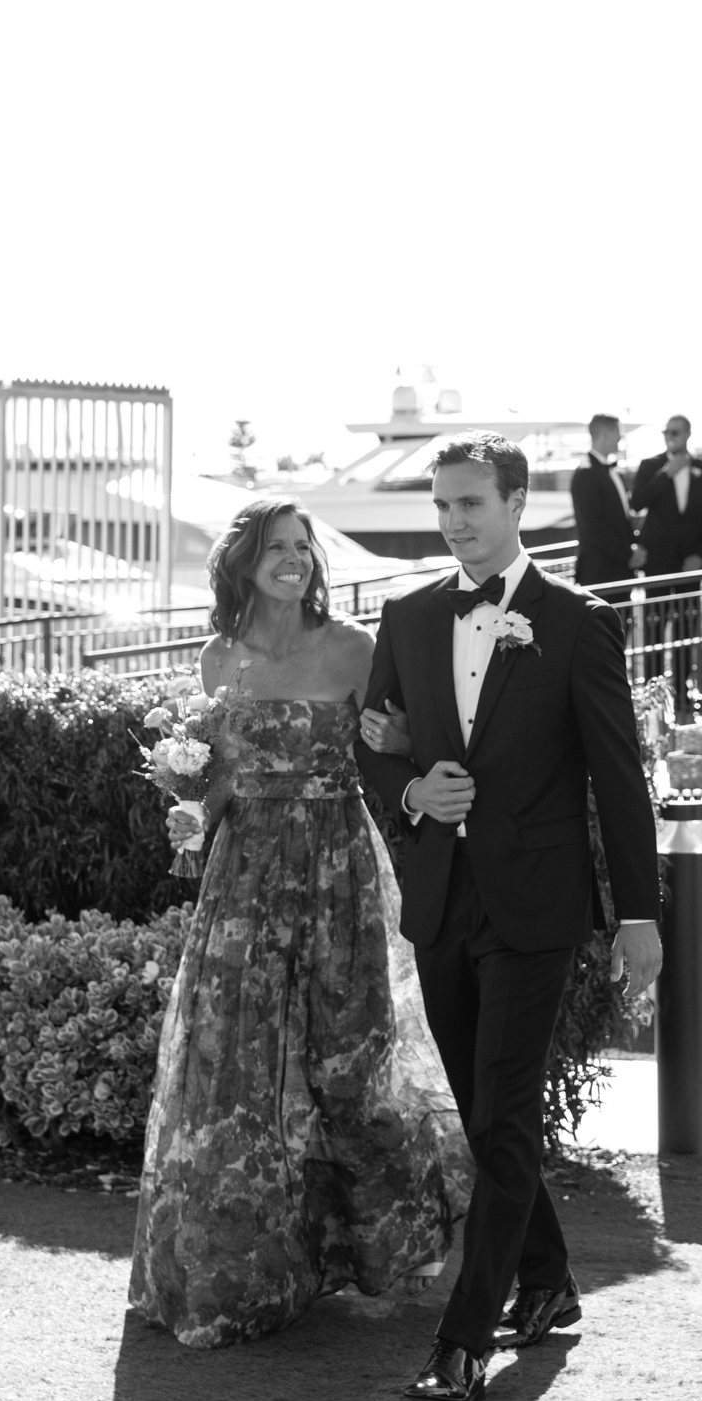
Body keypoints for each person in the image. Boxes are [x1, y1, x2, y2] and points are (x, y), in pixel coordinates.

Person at [355, 432, 662, 1401]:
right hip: (442, 901)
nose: (454, 522)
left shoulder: (577, 621)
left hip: (537, 907)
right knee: (490, 1117)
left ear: (517, 503)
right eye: (442, 506)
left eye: (471, 504)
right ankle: (549, 1279)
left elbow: (619, 778)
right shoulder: (406, 616)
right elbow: (372, 748)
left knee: (502, 1114)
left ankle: (460, 1344)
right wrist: (413, 793)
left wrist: (638, 915)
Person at [129, 497, 468, 1349]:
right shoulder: (218, 657)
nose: (294, 559)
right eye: (276, 547)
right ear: (243, 562)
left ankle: (383, 1246)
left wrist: (402, 738)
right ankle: (241, 1271)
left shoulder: (355, 647)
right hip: (243, 875)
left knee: (349, 1053)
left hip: (336, 868)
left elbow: (398, 750)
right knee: (233, 1059)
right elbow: (223, 775)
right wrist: (191, 809)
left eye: (303, 547)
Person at [631, 414, 702, 575]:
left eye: (674, 432)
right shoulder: (649, 465)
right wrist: (665, 475)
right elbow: (637, 503)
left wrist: (700, 555)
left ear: (688, 434)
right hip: (657, 559)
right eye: (665, 432)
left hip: (691, 560)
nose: (669, 437)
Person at [569, 412, 636, 589]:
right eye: (618, 432)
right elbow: (593, 527)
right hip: (600, 573)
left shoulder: (610, 470)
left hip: (620, 570)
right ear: (605, 434)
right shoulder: (586, 473)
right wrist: (629, 553)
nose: (621, 437)